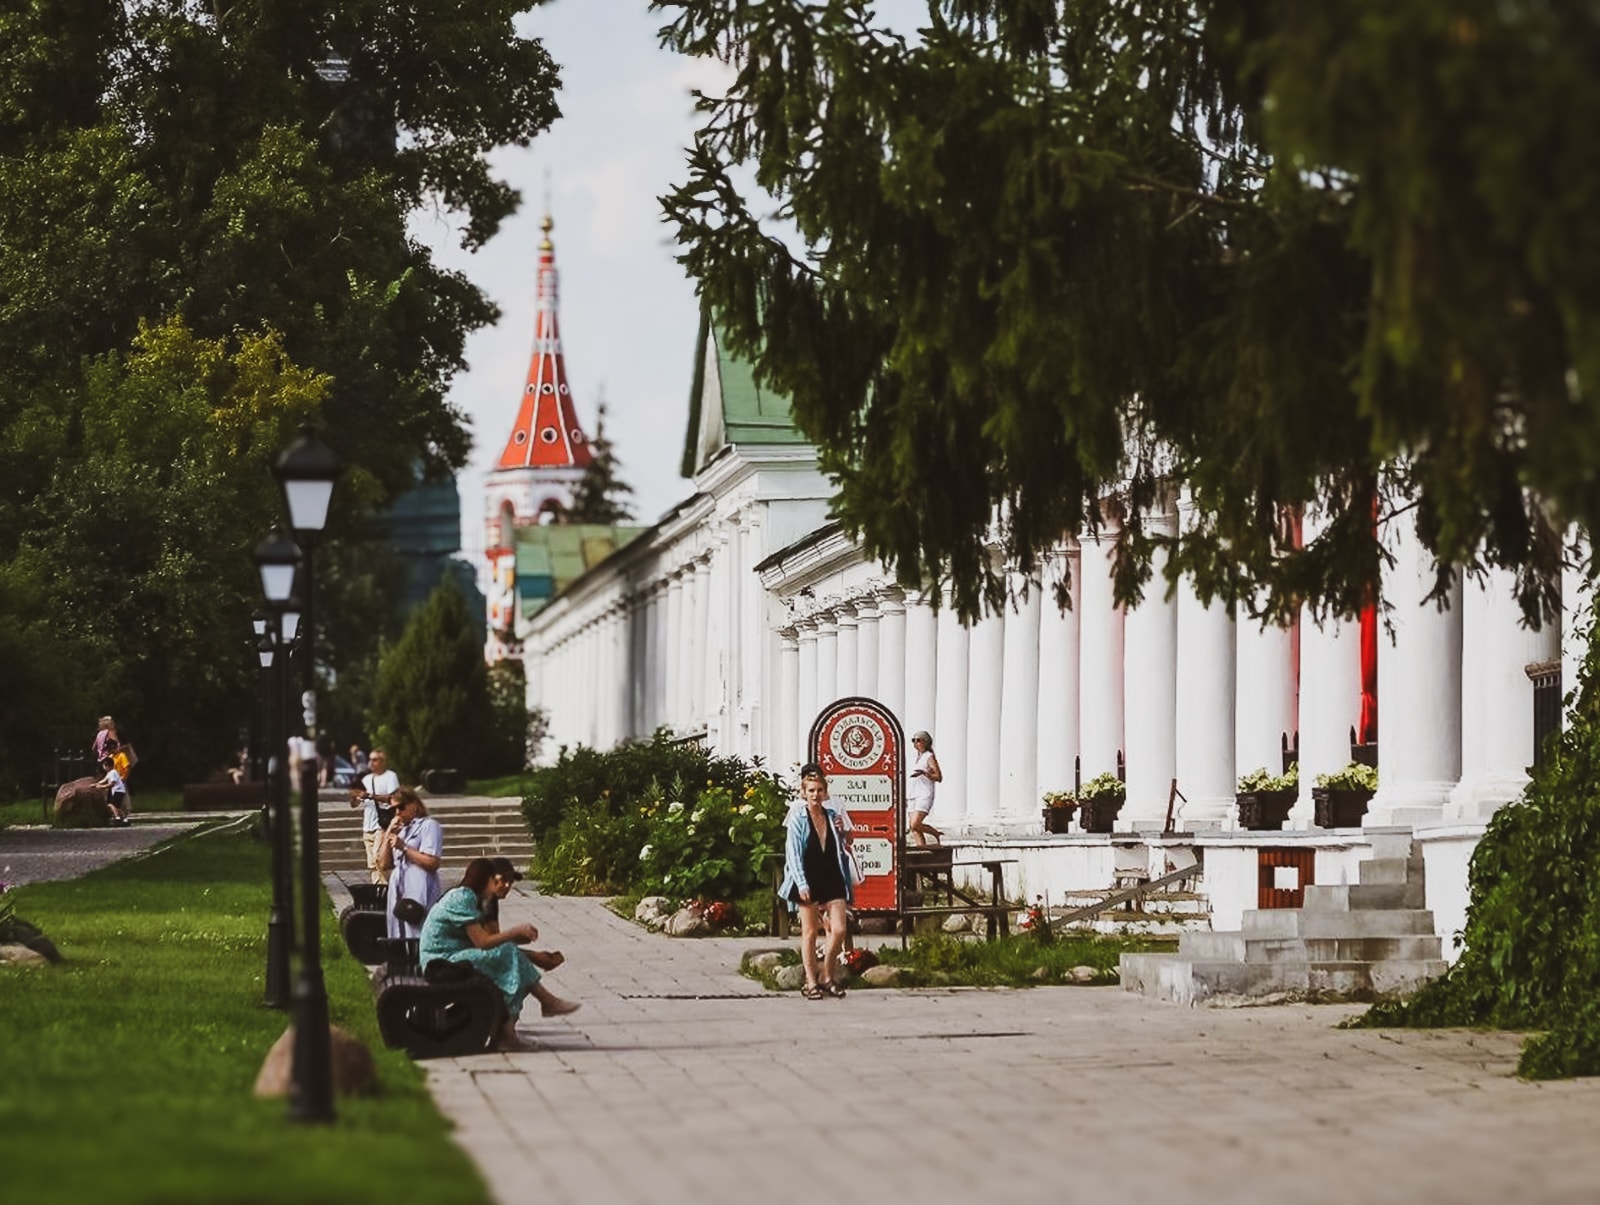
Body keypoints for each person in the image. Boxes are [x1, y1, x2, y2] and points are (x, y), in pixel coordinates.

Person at [419, 857, 581, 1051]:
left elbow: (489, 941)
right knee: (510, 959)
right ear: (488, 879)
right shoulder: (462, 898)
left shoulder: (472, 898)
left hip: (452, 956)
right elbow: (483, 942)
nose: (503, 886)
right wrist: (515, 932)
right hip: (441, 963)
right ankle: (543, 1005)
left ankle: (512, 1031)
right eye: (497, 881)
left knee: (511, 963)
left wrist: (517, 938)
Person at [777, 763, 853, 1000]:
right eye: (811, 790)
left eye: (819, 790)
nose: (816, 795)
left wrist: (842, 831)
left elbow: (844, 845)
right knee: (810, 932)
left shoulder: (831, 816)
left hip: (832, 876)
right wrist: (801, 883)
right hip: (808, 878)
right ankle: (810, 982)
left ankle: (826, 975)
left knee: (839, 930)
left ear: (825, 792)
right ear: (804, 793)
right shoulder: (798, 818)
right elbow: (793, 853)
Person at [378, 788, 444, 940]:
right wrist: (388, 834)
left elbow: (432, 862)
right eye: (393, 809)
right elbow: (383, 864)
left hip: (419, 887)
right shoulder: (400, 830)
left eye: (401, 807)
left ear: (414, 805)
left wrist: (405, 848)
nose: (397, 813)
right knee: (397, 933)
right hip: (399, 888)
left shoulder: (428, 825)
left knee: (417, 931)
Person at [351, 749, 400, 884]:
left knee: (380, 859)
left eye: (375, 760)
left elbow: (393, 798)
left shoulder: (390, 776)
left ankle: (390, 888)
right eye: (370, 759)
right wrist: (355, 796)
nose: (371, 763)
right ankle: (378, 889)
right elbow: (354, 804)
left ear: (383, 762)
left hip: (382, 824)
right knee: (372, 863)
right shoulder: (366, 779)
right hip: (367, 826)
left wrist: (372, 796)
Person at [906, 730, 943, 847]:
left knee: (915, 824)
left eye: (918, 740)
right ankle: (921, 848)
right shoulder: (915, 758)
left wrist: (925, 773)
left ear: (925, 742)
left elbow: (938, 777)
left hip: (924, 793)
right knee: (914, 828)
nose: (915, 743)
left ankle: (934, 832)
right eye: (913, 740)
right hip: (912, 794)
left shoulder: (929, 757)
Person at [94, 755, 131, 825]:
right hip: (118, 791)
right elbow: (104, 780)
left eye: (104, 765)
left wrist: (101, 787)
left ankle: (117, 818)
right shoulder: (109, 773)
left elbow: (111, 784)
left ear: (107, 765)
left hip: (118, 790)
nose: (103, 767)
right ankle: (125, 819)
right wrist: (95, 784)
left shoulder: (113, 772)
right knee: (118, 806)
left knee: (111, 805)